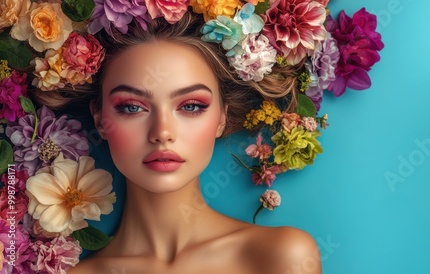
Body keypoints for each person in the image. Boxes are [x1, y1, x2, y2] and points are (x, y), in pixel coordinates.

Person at [29, 10, 321, 274]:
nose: (162, 132)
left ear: (221, 117)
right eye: (132, 107)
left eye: (191, 106)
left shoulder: (280, 258)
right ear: (98, 118)